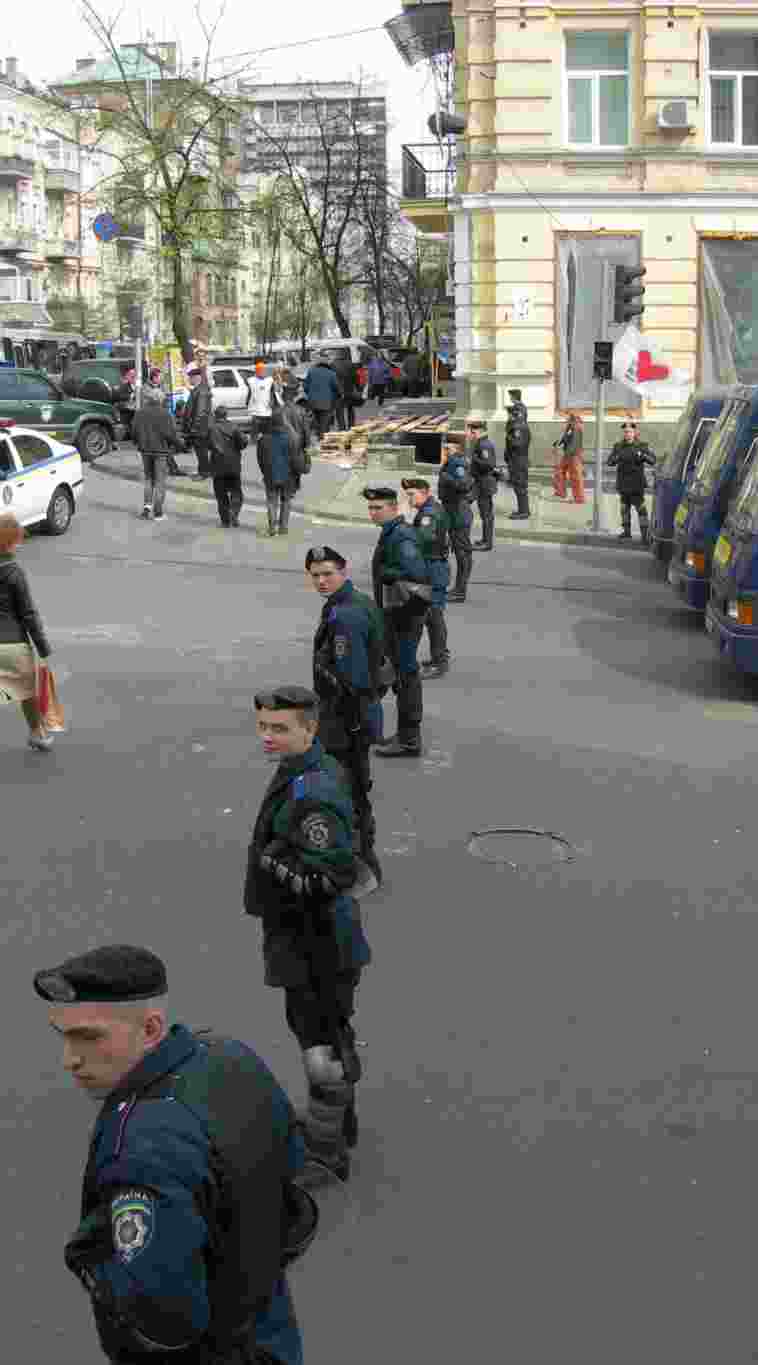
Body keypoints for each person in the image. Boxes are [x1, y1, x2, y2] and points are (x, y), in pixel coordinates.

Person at [37, 944, 312, 1364]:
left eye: (88, 1037)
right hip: (270, 1330)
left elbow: (162, 1319)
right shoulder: (230, 1056)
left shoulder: (144, 1146)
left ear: (150, 1029)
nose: (70, 1060)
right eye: (63, 1036)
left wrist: (92, 1265)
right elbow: (294, 1185)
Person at [245, 686, 371, 1181]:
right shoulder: (304, 770)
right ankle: (341, 1124)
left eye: (280, 728)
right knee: (327, 1032)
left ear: (310, 728)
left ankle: (326, 1152)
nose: (268, 737)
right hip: (307, 934)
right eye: (263, 726)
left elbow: (333, 875)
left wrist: (275, 862)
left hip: (315, 939)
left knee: (320, 1046)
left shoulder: (312, 789)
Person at [306, 545, 386, 885]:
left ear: (344, 571)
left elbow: (351, 679)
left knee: (346, 793)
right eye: (315, 575)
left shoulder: (345, 617)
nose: (322, 581)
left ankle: (359, 866)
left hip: (345, 720)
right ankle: (360, 861)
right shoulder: (355, 604)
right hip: (353, 715)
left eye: (328, 573)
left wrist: (350, 723)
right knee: (351, 790)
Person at [362, 487, 432, 757]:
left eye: (378, 508)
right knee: (397, 673)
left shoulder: (401, 535)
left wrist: (388, 573)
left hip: (404, 614)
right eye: (371, 508)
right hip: (397, 613)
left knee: (405, 676)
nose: (373, 513)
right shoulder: (392, 532)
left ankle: (409, 739)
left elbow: (416, 572)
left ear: (394, 508)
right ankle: (403, 733)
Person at [0, 513, 54, 751]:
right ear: (11, 544)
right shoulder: (15, 573)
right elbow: (28, 613)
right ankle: (37, 733)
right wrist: (42, 646)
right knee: (26, 693)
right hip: (13, 644)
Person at [402, 477, 451, 678]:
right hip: (433, 566)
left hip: (433, 568)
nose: (410, 499)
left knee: (433, 616)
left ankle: (440, 661)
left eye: (412, 494)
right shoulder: (431, 509)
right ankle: (439, 657)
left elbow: (422, 538)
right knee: (433, 616)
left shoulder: (429, 514)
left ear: (425, 492)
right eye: (408, 495)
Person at [131, 385, 185, 522]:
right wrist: (181, 445)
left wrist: (138, 443)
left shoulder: (140, 412)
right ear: (160, 399)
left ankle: (147, 507)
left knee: (149, 479)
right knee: (160, 481)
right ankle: (158, 512)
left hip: (145, 450)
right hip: (160, 451)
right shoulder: (166, 414)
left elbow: (134, 432)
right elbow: (171, 434)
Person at [437, 440, 475, 604]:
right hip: (453, 512)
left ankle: (460, 591)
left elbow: (464, 484)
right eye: (445, 447)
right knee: (461, 553)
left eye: (449, 447)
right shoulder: (453, 461)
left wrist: (447, 478)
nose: (445, 450)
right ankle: (458, 589)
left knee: (462, 554)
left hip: (458, 514)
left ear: (457, 448)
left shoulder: (457, 462)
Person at [608, 420, 656, 543]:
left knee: (641, 509)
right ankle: (627, 532)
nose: (627, 434)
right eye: (625, 432)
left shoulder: (642, 445)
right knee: (624, 508)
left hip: (636, 483)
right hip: (623, 483)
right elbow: (610, 462)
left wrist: (643, 455)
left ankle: (645, 535)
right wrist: (616, 457)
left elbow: (652, 460)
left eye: (630, 432)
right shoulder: (618, 446)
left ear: (635, 433)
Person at [257, 410, 300, 538]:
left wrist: (265, 472)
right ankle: (283, 528)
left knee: (271, 501)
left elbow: (260, 459)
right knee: (286, 500)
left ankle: (272, 528)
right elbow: (295, 459)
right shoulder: (291, 439)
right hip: (288, 475)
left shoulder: (263, 439)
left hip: (270, 475)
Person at [208, 405, 247, 529]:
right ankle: (233, 514)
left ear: (216, 415)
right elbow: (243, 442)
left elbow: (208, 445)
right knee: (236, 493)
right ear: (226, 415)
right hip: (233, 464)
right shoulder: (234, 427)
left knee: (221, 494)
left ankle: (226, 520)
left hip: (218, 466)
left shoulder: (211, 429)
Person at [467, 418, 499, 551]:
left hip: (484, 484)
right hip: (480, 483)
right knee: (484, 513)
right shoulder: (481, 443)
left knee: (486, 515)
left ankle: (487, 543)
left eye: (473, 432)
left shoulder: (484, 445)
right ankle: (485, 540)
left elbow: (489, 464)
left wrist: (474, 459)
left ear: (480, 431)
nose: (471, 434)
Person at [181, 363, 213, 480]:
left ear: (196, 378)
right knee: (201, 452)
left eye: (191, 378)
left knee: (202, 452)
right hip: (199, 428)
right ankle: (204, 471)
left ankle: (204, 473)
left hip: (200, 428)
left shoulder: (201, 391)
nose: (189, 380)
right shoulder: (198, 389)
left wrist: (194, 428)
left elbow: (200, 413)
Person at [504, 388, 531, 520]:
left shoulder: (519, 428)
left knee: (520, 486)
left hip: (518, 460)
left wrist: (508, 437)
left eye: (510, 415)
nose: (508, 417)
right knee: (519, 486)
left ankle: (523, 512)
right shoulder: (519, 427)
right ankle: (522, 510)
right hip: (517, 460)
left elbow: (517, 444)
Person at [303, 354, 340, 441]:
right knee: (324, 423)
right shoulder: (331, 374)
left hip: (312, 402)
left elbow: (305, 387)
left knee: (316, 422)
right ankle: (322, 440)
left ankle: (319, 436)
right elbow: (336, 387)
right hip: (326, 403)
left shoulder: (311, 371)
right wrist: (337, 395)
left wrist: (310, 394)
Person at [553, 411, 586, 504]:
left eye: (566, 418)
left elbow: (574, 443)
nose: (565, 420)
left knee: (575, 477)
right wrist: (557, 443)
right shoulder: (570, 427)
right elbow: (566, 438)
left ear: (571, 418)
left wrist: (567, 453)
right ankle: (561, 492)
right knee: (559, 472)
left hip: (573, 455)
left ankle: (579, 498)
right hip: (568, 454)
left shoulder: (576, 427)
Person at [248, 358, 277, 438]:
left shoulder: (269, 381)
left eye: (263, 370)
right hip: (256, 410)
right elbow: (249, 394)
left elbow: (273, 392)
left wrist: (271, 402)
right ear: (256, 371)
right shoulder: (251, 381)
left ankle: (265, 439)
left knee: (267, 430)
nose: (262, 372)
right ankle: (254, 439)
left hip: (267, 409)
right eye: (260, 370)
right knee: (255, 428)